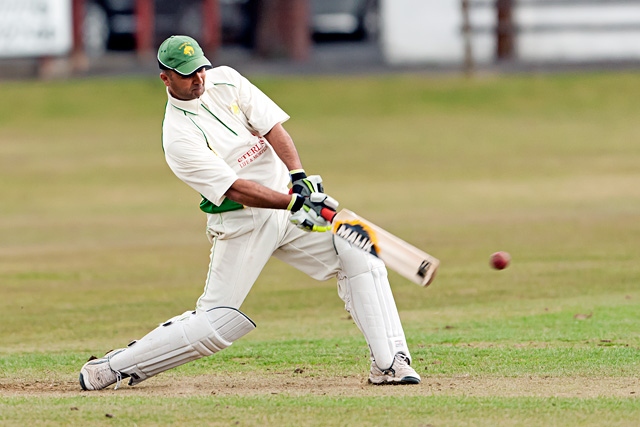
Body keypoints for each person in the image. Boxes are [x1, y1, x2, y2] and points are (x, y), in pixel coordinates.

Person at [79, 35, 420, 391]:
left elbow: (272, 127)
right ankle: (113, 367)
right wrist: (294, 202)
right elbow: (235, 189)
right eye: (186, 75)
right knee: (216, 323)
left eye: (200, 69)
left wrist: (298, 177)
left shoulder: (226, 79)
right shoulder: (177, 137)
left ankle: (389, 364)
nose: (198, 79)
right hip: (243, 222)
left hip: (287, 207)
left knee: (358, 250)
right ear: (165, 78)